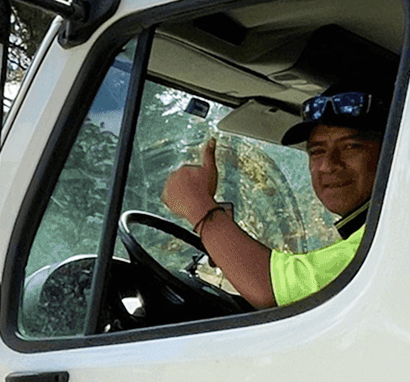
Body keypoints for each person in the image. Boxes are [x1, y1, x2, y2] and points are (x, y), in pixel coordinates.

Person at [163, 87, 388, 308]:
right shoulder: (372, 228)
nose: (328, 165)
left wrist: (198, 205)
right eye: (317, 151)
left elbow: (270, 291)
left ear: (392, 151)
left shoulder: (391, 233)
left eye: (350, 146)